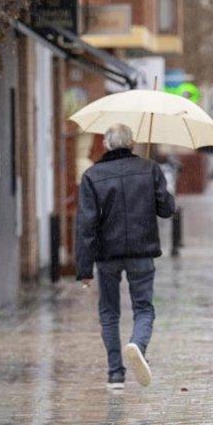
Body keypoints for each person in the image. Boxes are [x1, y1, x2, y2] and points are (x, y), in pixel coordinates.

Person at [75, 124, 175, 390]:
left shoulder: (92, 176)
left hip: (107, 255)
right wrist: (158, 186)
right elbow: (166, 209)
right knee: (143, 308)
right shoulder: (149, 169)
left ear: (107, 145)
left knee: (109, 312)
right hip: (142, 251)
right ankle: (137, 345)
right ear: (131, 143)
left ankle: (115, 374)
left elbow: (86, 225)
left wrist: (84, 269)